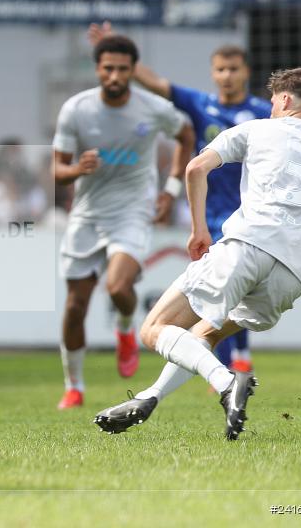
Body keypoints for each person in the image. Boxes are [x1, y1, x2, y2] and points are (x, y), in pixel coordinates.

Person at [94, 68, 301, 440]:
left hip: (249, 245)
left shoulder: (256, 129)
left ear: (285, 100)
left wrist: (199, 229)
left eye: (274, 101)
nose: (271, 107)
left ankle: (227, 382)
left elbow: (195, 168)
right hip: (294, 274)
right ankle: (149, 397)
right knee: (203, 335)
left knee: (154, 329)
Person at [89, 22, 271, 374]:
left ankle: (233, 360)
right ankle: (232, 363)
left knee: (234, 290)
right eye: (220, 69)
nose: (227, 76)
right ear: (213, 73)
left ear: (246, 72)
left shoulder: (263, 113)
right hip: (211, 216)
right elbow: (157, 83)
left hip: (251, 214)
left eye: (233, 69)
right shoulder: (200, 104)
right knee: (220, 290)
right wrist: (114, 47)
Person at [52, 35, 195, 409]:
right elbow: (56, 169)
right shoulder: (76, 109)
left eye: (122, 69)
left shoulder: (152, 108)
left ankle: (126, 329)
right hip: (87, 214)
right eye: (108, 68)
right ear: (97, 69)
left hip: (133, 211)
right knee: (74, 306)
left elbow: (185, 133)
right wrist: (75, 169)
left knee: (117, 287)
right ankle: (74, 385)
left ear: (133, 70)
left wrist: (171, 188)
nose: (115, 75)